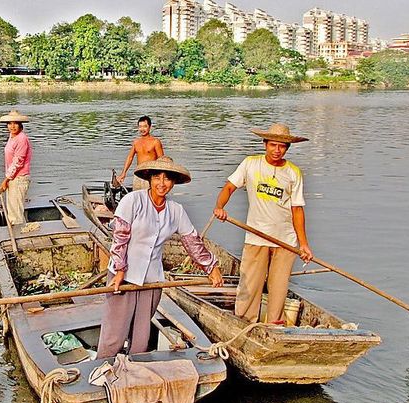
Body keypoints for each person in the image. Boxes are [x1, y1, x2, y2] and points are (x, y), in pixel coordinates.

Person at [97, 157, 224, 359]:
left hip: (152, 280)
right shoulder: (133, 201)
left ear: (173, 183)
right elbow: (120, 237)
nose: (162, 183)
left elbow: (192, 242)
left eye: (167, 179)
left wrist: (211, 267)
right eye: (157, 177)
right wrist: (120, 270)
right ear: (149, 179)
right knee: (114, 335)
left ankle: (136, 371)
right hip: (123, 277)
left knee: (141, 336)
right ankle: (101, 370)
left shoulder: (176, 211)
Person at [213, 123, 314, 325]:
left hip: (284, 240)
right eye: (273, 145)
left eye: (282, 147)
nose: (277, 150)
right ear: (265, 144)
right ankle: (243, 322)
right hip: (256, 236)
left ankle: (274, 325)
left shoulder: (293, 172)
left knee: (279, 287)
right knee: (249, 283)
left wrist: (303, 244)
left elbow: (297, 210)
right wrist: (220, 207)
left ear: (287, 148)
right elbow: (229, 187)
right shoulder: (251, 164)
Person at [0, 109, 32, 226]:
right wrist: (8, 179)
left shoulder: (21, 139)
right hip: (13, 178)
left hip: (19, 179)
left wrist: (6, 180)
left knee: (15, 215)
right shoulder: (12, 137)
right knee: (12, 211)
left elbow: (18, 162)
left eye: (15, 123)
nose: (12, 126)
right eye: (10, 123)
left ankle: (19, 239)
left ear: (20, 124)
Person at [116, 116, 165, 190]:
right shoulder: (136, 142)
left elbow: (162, 160)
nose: (142, 129)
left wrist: (161, 178)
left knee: (148, 198)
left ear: (150, 127)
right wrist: (123, 173)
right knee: (137, 197)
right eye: (140, 127)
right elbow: (130, 158)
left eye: (145, 126)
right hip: (138, 174)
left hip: (150, 175)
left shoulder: (155, 142)